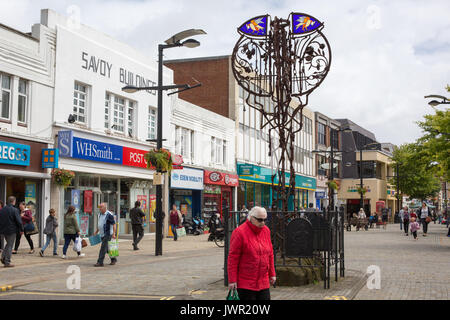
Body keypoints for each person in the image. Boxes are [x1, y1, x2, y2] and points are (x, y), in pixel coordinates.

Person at [227, 206, 276, 300]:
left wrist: (272, 274)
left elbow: (270, 254)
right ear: (251, 218)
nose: (263, 223)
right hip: (245, 283)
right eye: (260, 220)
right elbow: (233, 258)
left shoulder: (266, 231)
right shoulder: (239, 232)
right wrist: (232, 280)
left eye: (265, 219)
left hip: (263, 282)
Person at [0, 196, 23, 267]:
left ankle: (3, 257)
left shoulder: (2, 209)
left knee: (8, 244)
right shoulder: (15, 210)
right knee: (10, 246)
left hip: (3, 230)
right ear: (13, 201)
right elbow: (19, 221)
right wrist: (21, 229)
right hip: (11, 231)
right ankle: (7, 262)